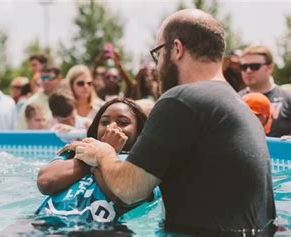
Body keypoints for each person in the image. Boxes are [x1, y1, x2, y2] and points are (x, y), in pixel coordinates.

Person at [73, 9, 277, 235]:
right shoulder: (237, 104)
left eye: (158, 53)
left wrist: (103, 152)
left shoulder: (182, 99)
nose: (158, 65)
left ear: (177, 49)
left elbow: (128, 189)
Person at [36, 98, 151, 224]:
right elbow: (45, 182)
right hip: (40, 221)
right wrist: (89, 156)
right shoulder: (75, 152)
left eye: (123, 122)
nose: (111, 128)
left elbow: (123, 195)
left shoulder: (145, 165)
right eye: (104, 122)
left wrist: (104, 152)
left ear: (139, 131)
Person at [239, 45, 291, 137]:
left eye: (254, 66)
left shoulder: (287, 98)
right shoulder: (235, 99)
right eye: (243, 67)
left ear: (270, 67)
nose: (248, 71)